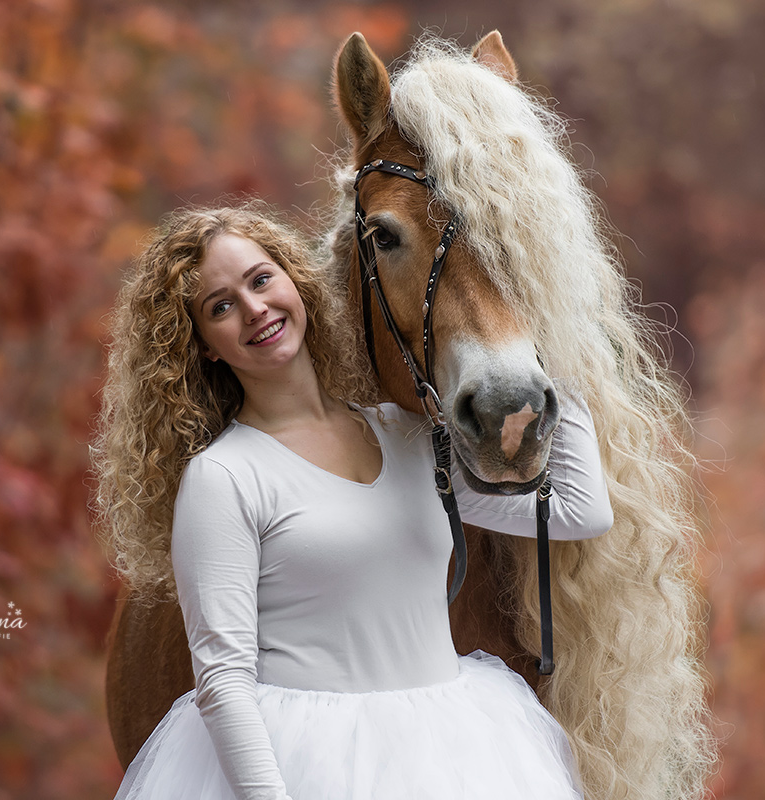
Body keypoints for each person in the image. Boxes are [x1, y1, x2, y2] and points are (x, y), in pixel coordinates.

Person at [92, 201, 614, 800]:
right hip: (311, 765)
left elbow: (579, 509)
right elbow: (224, 678)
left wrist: (538, 346)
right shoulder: (225, 477)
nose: (255, 308)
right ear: (205, 344)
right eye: (221, 306)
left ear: (295, 280)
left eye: (261, 279)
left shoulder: (410, 435)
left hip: (456, 750)